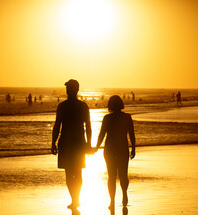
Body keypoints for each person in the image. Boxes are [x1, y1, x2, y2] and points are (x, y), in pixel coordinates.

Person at [51, 79, 92, 210]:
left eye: (69, 88)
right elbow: (88, 127)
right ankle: (75, 199)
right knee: (76, 173)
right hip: (77, 142)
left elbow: (58, 125)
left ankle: (75, 199)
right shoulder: (82, 106)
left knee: (71, 173)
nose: (68, 90)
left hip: (68, 143)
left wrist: (53, 142)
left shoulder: (63, 106)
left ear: (72, 90)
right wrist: (88, 144)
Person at [95, 95, 136, 209]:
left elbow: (102, 135)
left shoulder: (107, 118)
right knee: (123, 174)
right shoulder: (127, 117)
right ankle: (124, 195)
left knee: (111, 176)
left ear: (110, 105)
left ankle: (112, 201)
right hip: (123, 148)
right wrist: (133, 148)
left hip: (110, 149)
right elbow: (131, 134)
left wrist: (96, 148)